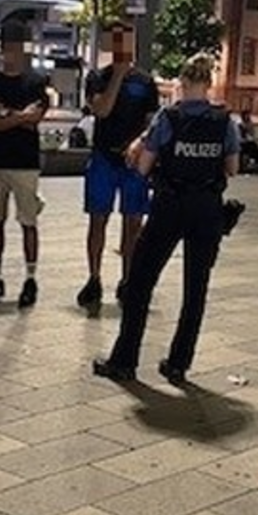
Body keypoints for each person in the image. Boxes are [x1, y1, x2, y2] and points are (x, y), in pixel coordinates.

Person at [92, 53, 240, 385]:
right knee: (196, 289)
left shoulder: (168, 117)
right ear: (209, 83)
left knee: (140, 283)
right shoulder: (224, 121)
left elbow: (143, 167)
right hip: (207, 209)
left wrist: (141, 154)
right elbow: (232, 168)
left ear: (182, 83)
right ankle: (178, 364)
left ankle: (124, 360)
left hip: (169, 205)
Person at [77, 23, 161, 309]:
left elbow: (152, 122)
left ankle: (128, 280)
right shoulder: (97, 78)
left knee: (133, 222)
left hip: (134, 162)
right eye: (117, 42)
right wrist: (118, 76)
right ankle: (94, 278)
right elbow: (101, 110)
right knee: (97, 219)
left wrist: (139, 142)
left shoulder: (146, 83)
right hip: (104, 157)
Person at [0, 22, 50, 308]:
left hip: (25, 162)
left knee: (28, 221)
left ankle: (30, 279)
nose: (14, 52)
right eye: (10, 46)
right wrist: (20, 117)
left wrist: (3, 111)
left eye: (19, 46)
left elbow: (35, 119)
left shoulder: (36, 82)